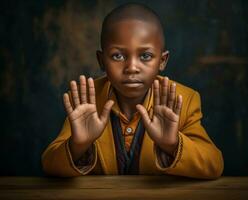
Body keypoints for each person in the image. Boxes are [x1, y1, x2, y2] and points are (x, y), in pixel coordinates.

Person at [42, 3, 224, 178]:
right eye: (118, 56)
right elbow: (49, 165)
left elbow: (213, 165)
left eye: (145, 56)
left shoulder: (182, 100)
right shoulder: (87, 101)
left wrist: (173, 144)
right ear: (101, 60)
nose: (131, 67)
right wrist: (78, 145)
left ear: (162, 60)